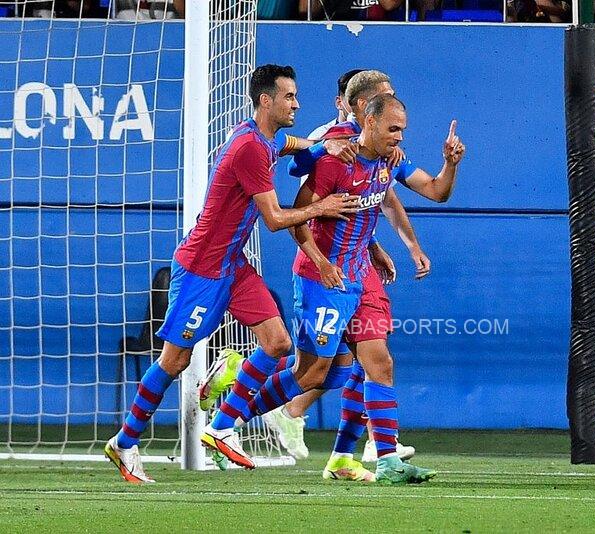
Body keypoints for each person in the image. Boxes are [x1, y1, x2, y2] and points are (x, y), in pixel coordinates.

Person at [104, 64, 361, 484]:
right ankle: (126, 442)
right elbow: (276, 219)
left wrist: (319, 148)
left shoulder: (260, 137)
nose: (297, 103)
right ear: (267, 100)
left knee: (278, 343)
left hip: (233, 265)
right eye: (289, 96)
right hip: (202, 268)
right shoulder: (249, 149)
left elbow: (288, 144)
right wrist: (321, 208)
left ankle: (222, 426)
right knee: (175, 360)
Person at [206, 94, 447, 484]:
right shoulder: (334, 150)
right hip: (324, 277)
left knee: (371, 365)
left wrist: (382, 246)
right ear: (362, 113)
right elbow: (299, 204)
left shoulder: (388, 159)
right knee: (314, 372)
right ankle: (225, 421)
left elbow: (418, 194)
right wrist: (322, 262)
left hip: (359, 275)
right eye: (393, 127)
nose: (400, 135)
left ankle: (380, 460)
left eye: (403, 127)